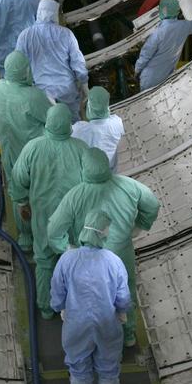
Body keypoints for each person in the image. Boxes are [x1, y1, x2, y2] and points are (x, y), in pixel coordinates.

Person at [48, 146, 159, 348]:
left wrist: (67, 248)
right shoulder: (129, 186)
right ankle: (128, 335)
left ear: (84, 168)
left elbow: (54, 229)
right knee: (124, 292)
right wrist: (139, 226)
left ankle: (88, 338)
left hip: (86, 258)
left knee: (85, 295)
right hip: (121, 254)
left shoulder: (75, 196)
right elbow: (152, 204)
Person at [50, 212, 131, 384]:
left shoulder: (67, 259)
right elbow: (123, 297)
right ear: (105, 233)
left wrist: (60, 308)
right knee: (108, 370)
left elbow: (57, 291)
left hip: (76, 324)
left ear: (84, 230)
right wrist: (122, 311)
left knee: (78, 369)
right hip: (107, 324)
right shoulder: (114, 261)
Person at [9, 103, 89, 316]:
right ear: (68, 125)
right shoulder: (81, 148)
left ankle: (46, 307)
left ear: (48, 122)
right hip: (73, 216)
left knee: (44, 261)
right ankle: (74, 305)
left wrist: (22, 202)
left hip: (43, 214)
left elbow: (18, 178)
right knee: (73, 257)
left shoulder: (33, 147)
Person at [0, 51, 50, 249]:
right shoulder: (33, 97)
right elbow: (53, 120)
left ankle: (25, 239)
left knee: (20, 196)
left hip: (9, 154)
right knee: (40, 193)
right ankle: (46, 235)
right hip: (34, 158)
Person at [15, 0, 88, 122]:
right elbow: (78, 62)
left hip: (40, 91)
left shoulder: (25, 35)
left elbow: (18, 65)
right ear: (54, 13)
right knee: (73, 125)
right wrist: (84, 83)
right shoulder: (66, 34)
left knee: (47, 125)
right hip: (67, 90)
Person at [134, 0, 192, 92]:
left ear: (162, 11)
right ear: (176, 10)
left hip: (149, 79)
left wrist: (136, 71)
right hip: (165, 77)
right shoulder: (183, 26)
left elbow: (145, 56)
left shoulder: (157, 34)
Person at [72, 85, 124, 172]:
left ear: (89, 106)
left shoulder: (79, 129)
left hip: (90, 176)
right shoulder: (117, 122)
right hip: (114, 173)